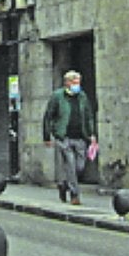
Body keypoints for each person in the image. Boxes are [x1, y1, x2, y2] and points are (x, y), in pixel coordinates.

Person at [42, 69, 97, 205]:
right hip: (64, 136)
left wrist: (92, 134)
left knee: (80, 166)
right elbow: (48, 116)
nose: (77, 84)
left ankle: (64, 184)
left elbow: (89, 116)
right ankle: (74, 195)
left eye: (78, 81)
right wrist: (47, 135)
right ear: (67, 82)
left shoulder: (82, 96)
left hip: (80, 137)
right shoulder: (57, 96)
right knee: (71, 165)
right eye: (74, 81)